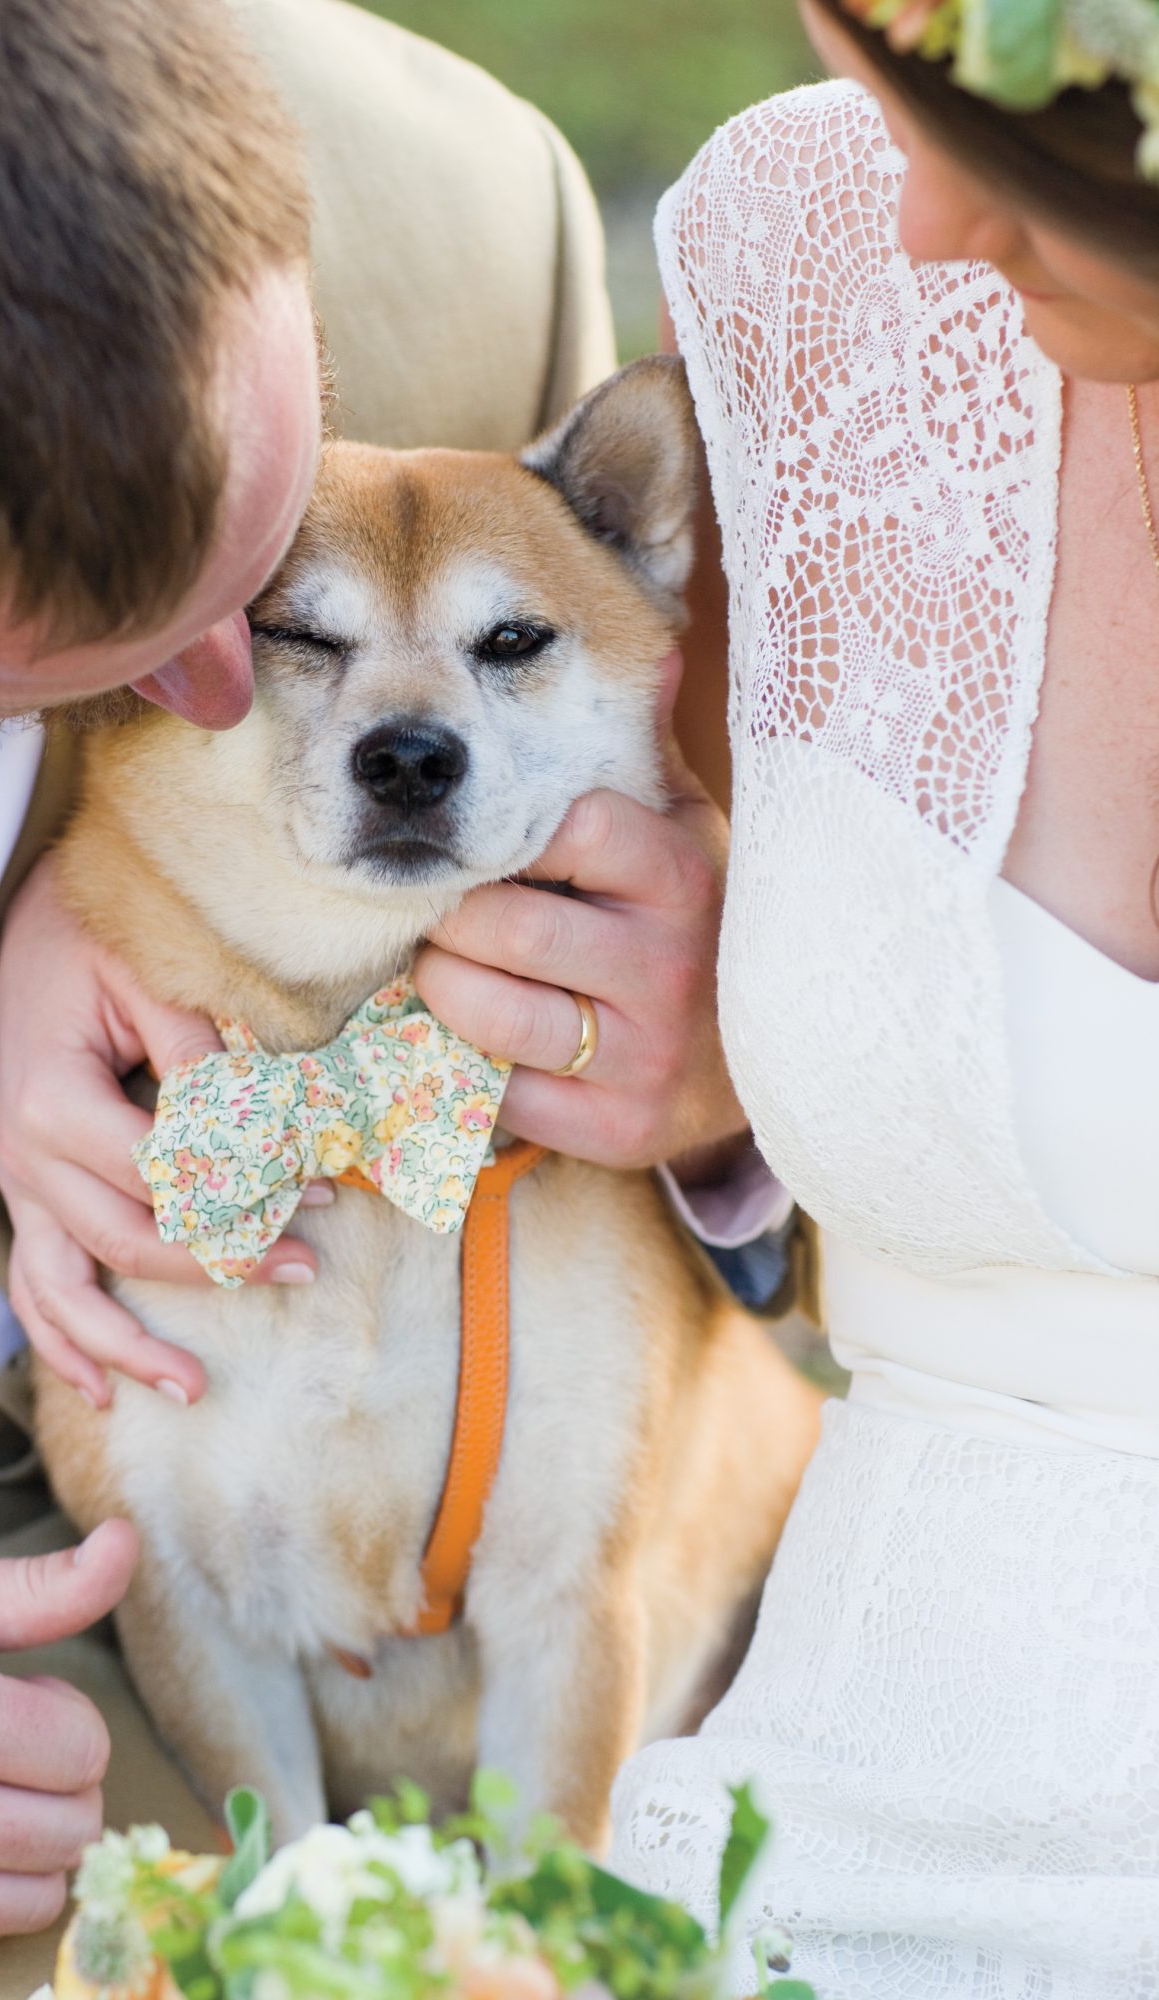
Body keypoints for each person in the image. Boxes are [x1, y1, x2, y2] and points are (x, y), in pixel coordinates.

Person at [0, 0, 788, 1993]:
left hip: (66, 1571)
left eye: (259, 556)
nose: (234, 700)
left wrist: (718, 1053)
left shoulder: (462, 223)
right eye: (90, 665)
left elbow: (650, 769)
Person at [603, 0, 1159, 1992]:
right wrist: (717, 1088)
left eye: (988, 141)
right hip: (787, 1853)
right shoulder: (801, 253)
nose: (922, 222)